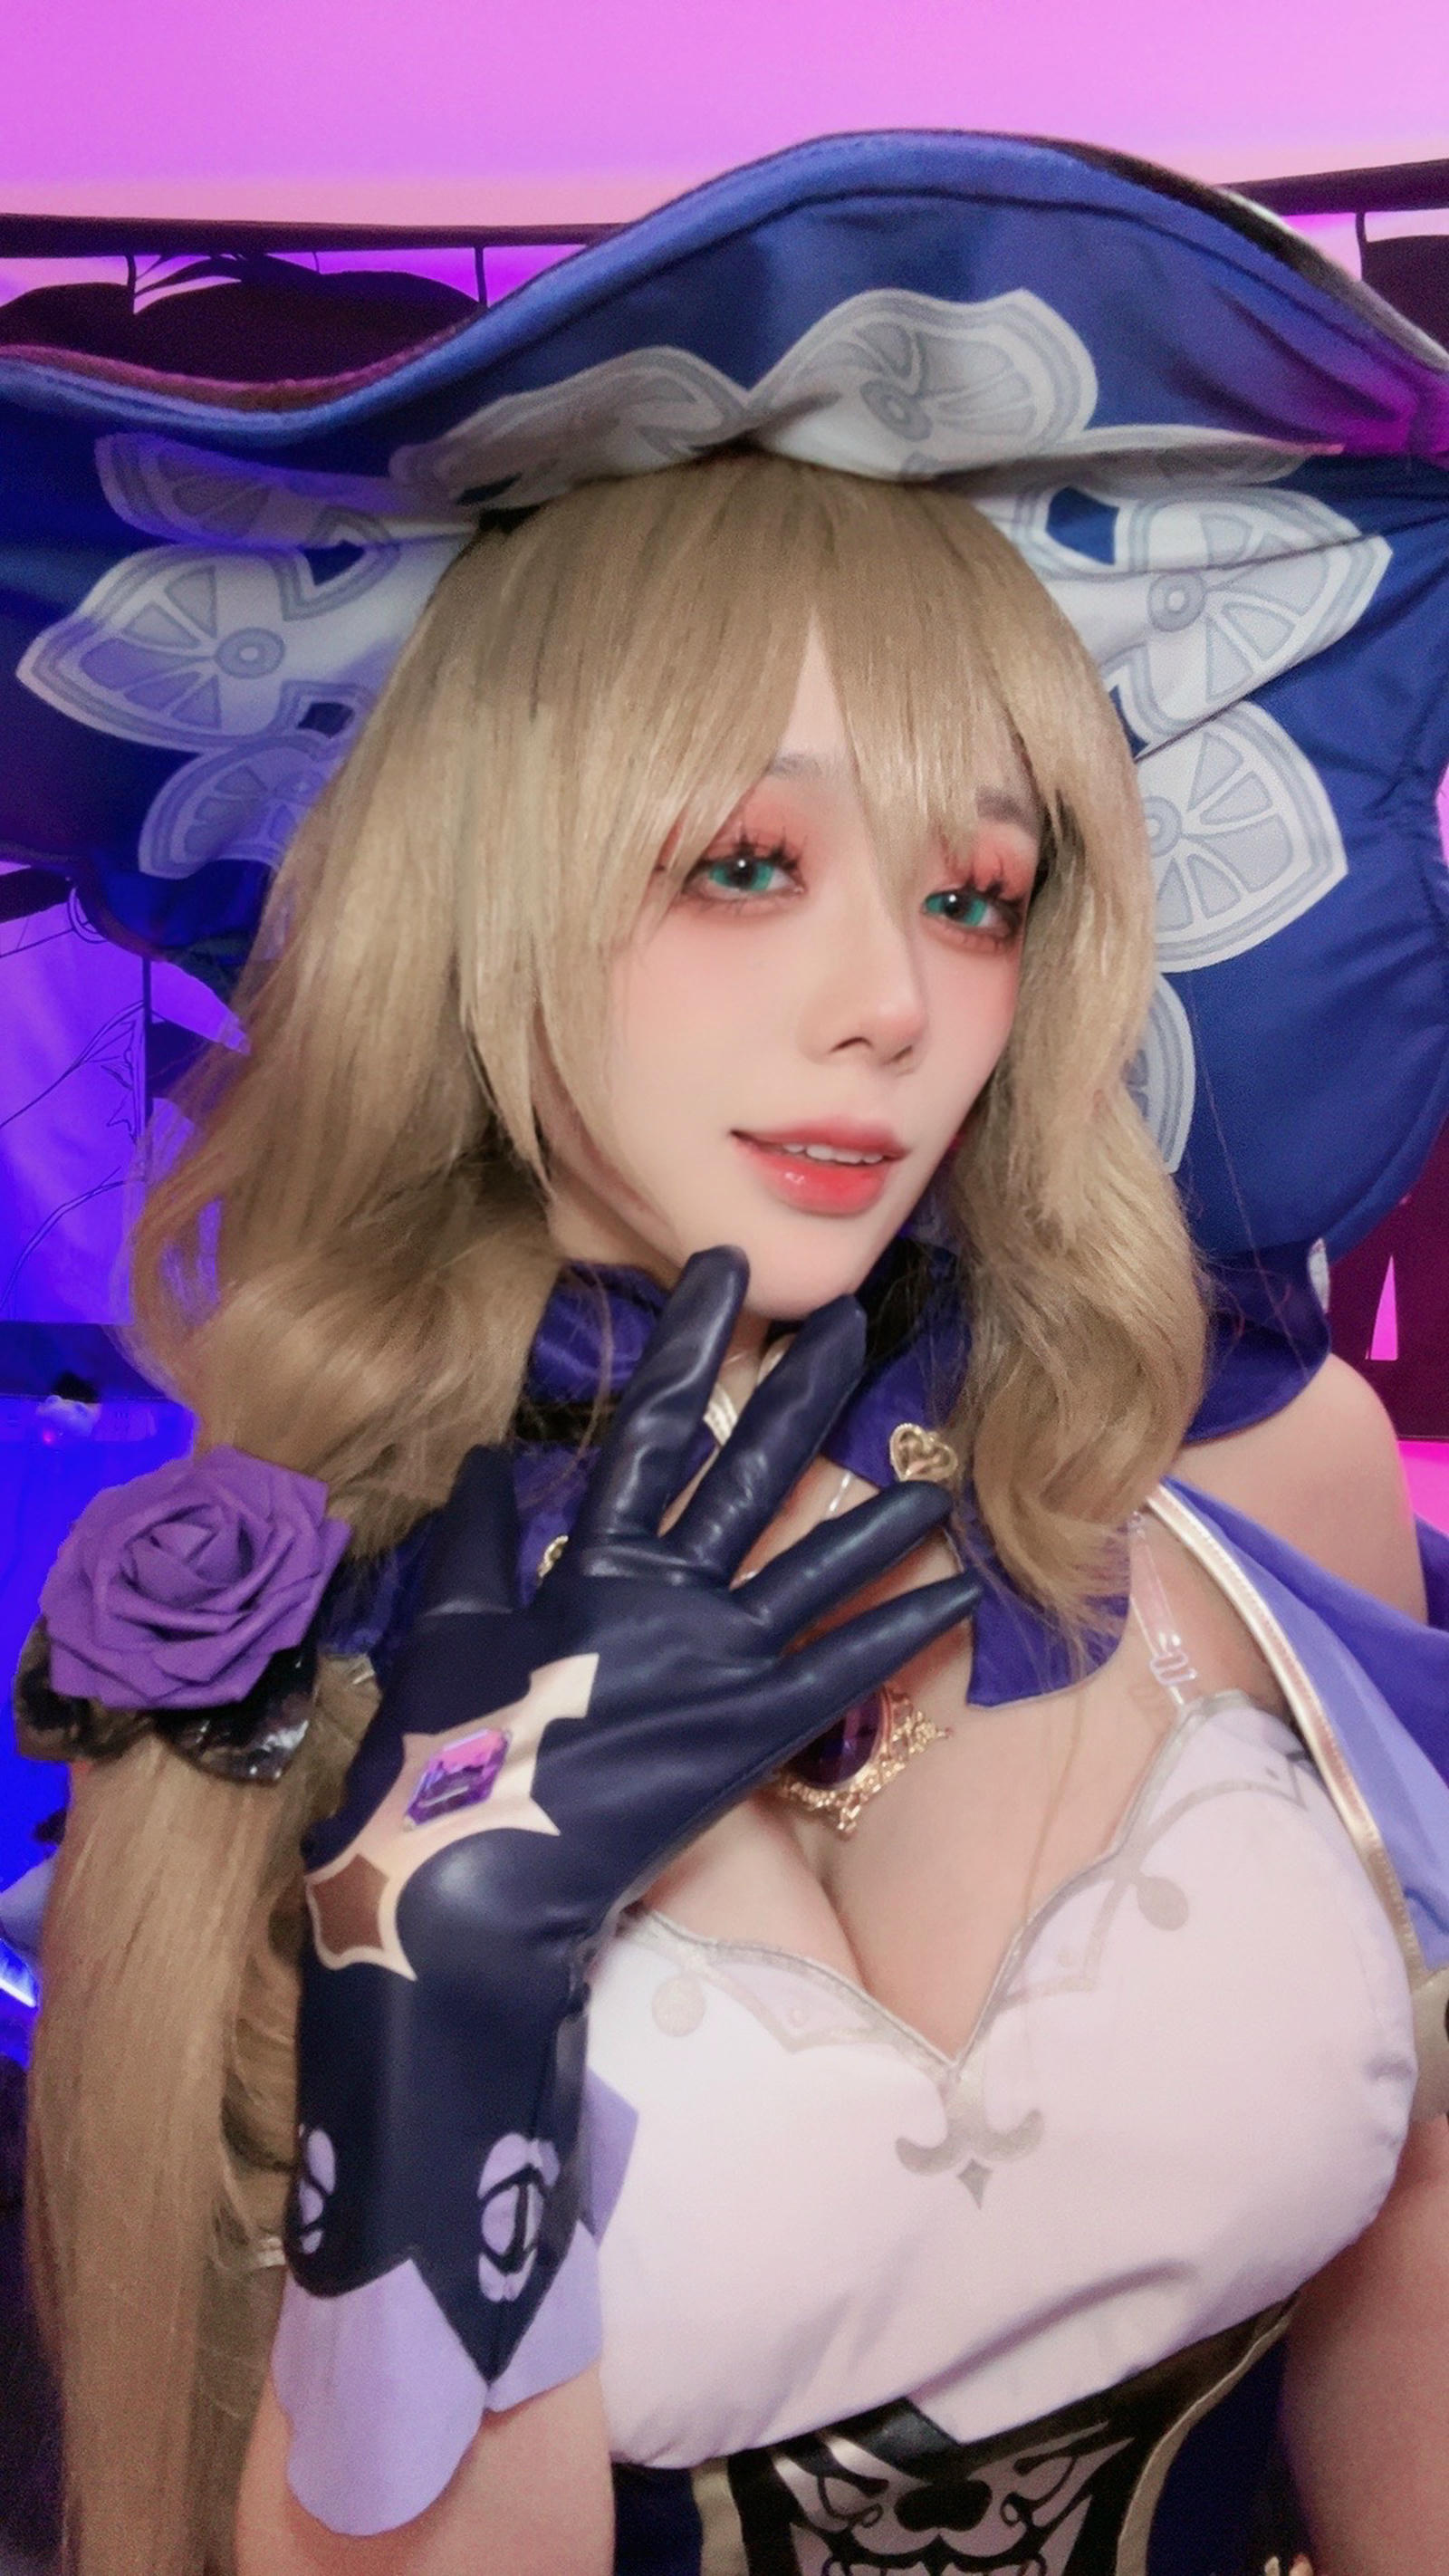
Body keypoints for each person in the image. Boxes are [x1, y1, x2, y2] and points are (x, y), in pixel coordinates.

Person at [17, 448, 1449, 2576]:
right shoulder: (289, 1636)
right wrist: (442, 1983)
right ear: (486, 881)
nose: (893, 1003)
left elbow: (1413, 2268)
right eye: (746, 864)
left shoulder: (1244, 1467)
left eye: (974, 895)